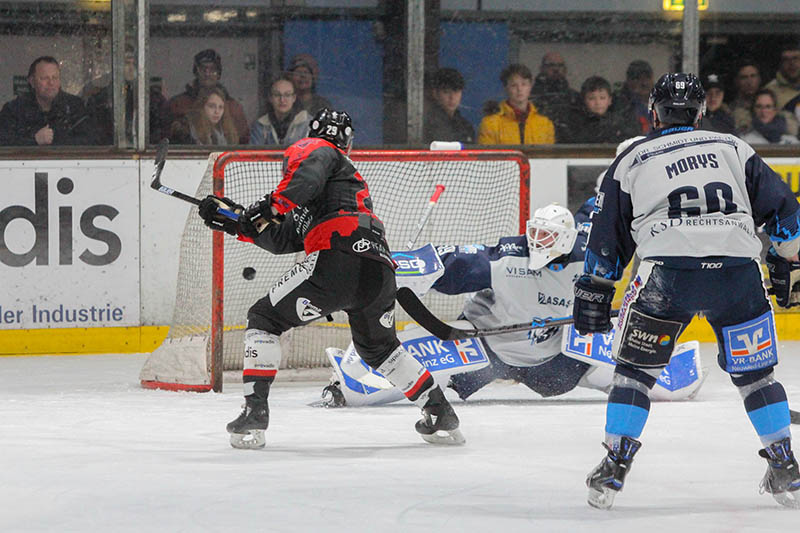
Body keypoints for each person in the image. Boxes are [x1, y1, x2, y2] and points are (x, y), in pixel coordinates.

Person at [572, 72, 800, 510]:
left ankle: (616, 463)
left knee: (634, 374)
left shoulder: (633, 157)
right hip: (737, 274)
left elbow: (607, 234)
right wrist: (787, 257)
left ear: (654, 113)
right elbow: (787, 213)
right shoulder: (735, 146)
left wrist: (596, 287)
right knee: (757, 376)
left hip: (667, 277)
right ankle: (784, 461)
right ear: (700, 113)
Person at [197, 108, 464, 449]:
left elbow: (301, 183)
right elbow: (285, 238)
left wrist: (265, 208)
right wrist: (237, 221)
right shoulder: (336, 186)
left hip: (339, 257)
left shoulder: (315, 149)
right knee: (380, 348)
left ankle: (254, 412)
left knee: (263, 318)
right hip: (378, 268)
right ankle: (440, 412)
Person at [318, 202, 704, 408]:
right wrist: (392, 264)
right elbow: (447, 263)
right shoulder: (508, 255)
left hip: (556, 359)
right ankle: (354, 383)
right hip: (490, 350)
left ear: (567, 239)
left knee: (635, 380)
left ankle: (675, 366)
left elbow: (599, 211)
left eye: (548, 236)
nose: (537, 242)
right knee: (435, 376)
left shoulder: (589, 257)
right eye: (534, 232)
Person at [0, 56, 96, 146]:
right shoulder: (14, 109)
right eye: (44, 78)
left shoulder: (75, 106)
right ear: (32, 82)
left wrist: (57, 139)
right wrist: (34, 140)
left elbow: (90, 141)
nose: (51, 83)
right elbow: (4, 142)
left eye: (55, 78)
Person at [83, 45, 169, 145]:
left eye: (135, 64)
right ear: (116, 65)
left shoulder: (153, 98)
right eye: (127, 63)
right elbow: (94, 133)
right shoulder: (100, 99)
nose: (131, 68)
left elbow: (162, 129)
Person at [164, 49, 249, 143]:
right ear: (196, 72)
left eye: (213, 70)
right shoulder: (178, 104)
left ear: (219, 74)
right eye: (203, 69)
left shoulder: (233, 107)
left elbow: (244, 143)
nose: (207, 74)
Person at [478, 63, 555, 145]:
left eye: (524, 84)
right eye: (514, 85)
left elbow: (548, 155)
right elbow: (488, 156)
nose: (519, 89)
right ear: (506, 88)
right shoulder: (491, 123)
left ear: (530, 87)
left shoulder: (544, 124)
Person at [562, 76, 640, 144]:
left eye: (602, 98)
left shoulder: (619, 122)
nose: (597, 103)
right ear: (584, 101)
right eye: (591, 98)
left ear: (610, 100)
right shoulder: (576, 124)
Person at [530, 51, 581, 142]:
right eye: (551, 65)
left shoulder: (574, 98)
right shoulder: (532, 97)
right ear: (542, 69)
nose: (556, 69)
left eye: (560, 65)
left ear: (565, 70)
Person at [249, 75, 311, 146]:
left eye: (287, 95)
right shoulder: (260, 126)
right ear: (270, 98)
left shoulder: (308, 124)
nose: (282, 100)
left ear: (294, 98)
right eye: (277, 95)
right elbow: (254, 155)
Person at [169, 86, 239, 145]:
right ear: (201, 107)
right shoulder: (186, 130)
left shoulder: (226, 131)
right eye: (212, 106)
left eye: (220, 107)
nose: (217, 111)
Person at [423, 67, 475, 144]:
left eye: (456, 92)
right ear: (435, 94)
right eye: (446, 92)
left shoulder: (465, 126)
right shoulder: (426, 124)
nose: (452, 97)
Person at [611, 60, 654, 135]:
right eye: (637, 79)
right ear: (628, 81)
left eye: (647, 77)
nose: (644, 83)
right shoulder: (620, 105)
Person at [729, 61, 762, 134]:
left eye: (753, 76)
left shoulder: (771, 103)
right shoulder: (729, 110)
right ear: (736, 81)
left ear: (759, 79)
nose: (749, 82)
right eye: (744, 77)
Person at [765, 43, 800, 111]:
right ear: (780, 64)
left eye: (795, 58)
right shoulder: (770, 91)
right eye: (786, 60)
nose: (791, 63)